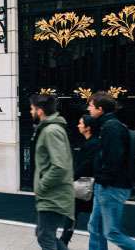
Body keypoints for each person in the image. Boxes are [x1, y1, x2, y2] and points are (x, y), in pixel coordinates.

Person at [87, 92, 135, 250]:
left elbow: (113, 159)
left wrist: (103, 179)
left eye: (90, 105)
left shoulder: (111, 127)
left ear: (100, 109)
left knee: (111, 232)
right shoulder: (108, 125)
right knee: (95, 228)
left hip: (111, 187)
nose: (88, 108)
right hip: (105, 186)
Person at [29, 94, 73, 250]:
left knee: (45, 237)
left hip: (53, 195)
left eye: (32, 108)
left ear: (40, 111)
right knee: (44, 234)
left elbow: (59, 166)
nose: (30, 111)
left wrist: (42, 186)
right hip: (53, 194)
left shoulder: (51, 131)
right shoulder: (49, 129)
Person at [60, 114, 99, 246]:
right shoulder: (89, 142)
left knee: (98, 222)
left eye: (80, 123)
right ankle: (63, 241)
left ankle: (64, 241)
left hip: (88, 186)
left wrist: (71, 177)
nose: (78, 125)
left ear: (88, 128)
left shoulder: (93, 144)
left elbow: (86, 165)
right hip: (84, 185)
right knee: (73, 213)